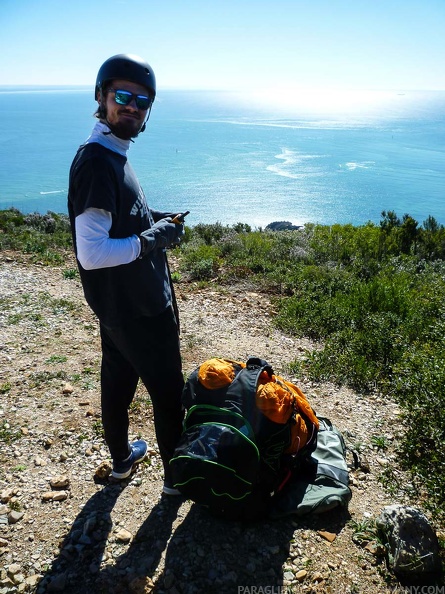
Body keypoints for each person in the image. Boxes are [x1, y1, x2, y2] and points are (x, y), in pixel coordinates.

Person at [67, 53, 185, 495]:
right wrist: (154, 239)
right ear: (101, 96)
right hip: (140, 307)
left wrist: (156, 219)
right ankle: (176, 481)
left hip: (119, 306)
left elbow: (120, 217)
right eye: (122, 96)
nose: (132, 106)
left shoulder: (111, 152)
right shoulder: (98, 162)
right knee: (168, 392)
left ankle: (121, 461)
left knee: (117, 381)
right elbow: (93, 252)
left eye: (142, 100)